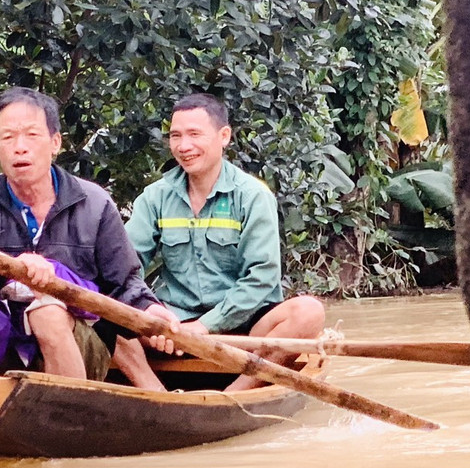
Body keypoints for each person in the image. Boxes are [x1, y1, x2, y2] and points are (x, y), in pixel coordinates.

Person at [0, 88, 175, 389]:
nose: (20, 148)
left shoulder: (93, 203)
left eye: (32, 135)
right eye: (8, 138)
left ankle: (68, 408)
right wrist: (7, 268)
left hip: (80, 343)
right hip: (7, 342)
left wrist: (149, 309)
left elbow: (124, 282)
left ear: (55, 142)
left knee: (47, 312)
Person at [120, 92, 326, 393]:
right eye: (176, 136)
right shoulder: (155, 197)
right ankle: (156, 394)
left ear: (224, 136)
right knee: (101, 312)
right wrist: (152, 313)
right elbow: (123, 268)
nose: (183, 146)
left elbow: (262, 278)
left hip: (242, 329)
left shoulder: (253, 196)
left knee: (309, 312)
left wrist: (205, 326)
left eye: (194, 134)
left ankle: (235, 395)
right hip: (171, 327)